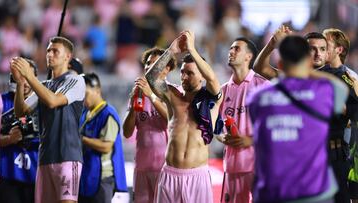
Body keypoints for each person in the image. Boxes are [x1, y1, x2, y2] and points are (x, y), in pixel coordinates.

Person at [248, 35, 348, 203]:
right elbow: (340, 89)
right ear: (308, 63)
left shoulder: (258, 98)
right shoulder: (323, 93)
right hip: (314, 192)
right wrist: (307, 71)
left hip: (272, 193)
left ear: (280, 65)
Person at [145, 30, 222, 203]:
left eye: (190, 73)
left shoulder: (211, 99)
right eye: (182, 72)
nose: (184, 77)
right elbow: (151, 77)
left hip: (197, 176)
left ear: (201, 75)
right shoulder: (172, 95)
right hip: (170, 175)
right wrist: (171, 51)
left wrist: (192, 50)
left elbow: (213, 79)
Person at [10, 36, 86, 203]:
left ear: (68, 57)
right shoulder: (44, 85)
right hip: (45, 158)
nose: (50, 54)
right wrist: (20, 83)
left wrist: (30, 76)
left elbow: (52, 101)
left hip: (67, 156)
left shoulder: (76, 80)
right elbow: (21, 112)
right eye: (48, 51)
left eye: (55, 51)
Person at [216, 38, 270, 203]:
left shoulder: (263, 86)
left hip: (259, 166)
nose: (230, 52)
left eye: (236, 49)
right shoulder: (222, 90)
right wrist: (221, 137)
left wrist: (251, 140)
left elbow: (274, 126)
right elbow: (216, 127)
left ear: (249, 56)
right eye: (230, 48)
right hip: (232, 167)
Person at [122, 47, 176, 203]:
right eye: (147, 63)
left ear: (167, 68)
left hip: (165, 167)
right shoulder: (137, 94)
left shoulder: (173, 92)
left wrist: (151, 96)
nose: (148, 67)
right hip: (141, 166)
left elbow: (173, 120)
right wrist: (133, 107)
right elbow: (127, 132)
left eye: (155, 63)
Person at [321, 28, 358, 203]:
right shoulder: (314, 73)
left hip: (337, 153)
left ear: (339, 50)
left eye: (325, 45)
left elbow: (353, 114)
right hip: (312, 152)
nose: (321, 50)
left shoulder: (350, 79)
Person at [78, 73, 127, 203]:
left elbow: (106, 146)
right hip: (86, 173)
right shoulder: (85, 113)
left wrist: (81, 139)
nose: (83, 98)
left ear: (97, 91)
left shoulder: (108, 114)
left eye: (86, 93)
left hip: (102, 176)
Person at [0, 59, 39, 203]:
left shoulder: (44, 105)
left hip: (35, 177)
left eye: (28, 77)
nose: (25, 82)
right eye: (21, 77)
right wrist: (9, 139)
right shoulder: (2, 102)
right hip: (8, 175)